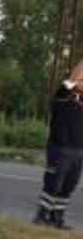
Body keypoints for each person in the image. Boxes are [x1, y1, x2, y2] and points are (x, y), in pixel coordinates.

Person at [34, 62, 83, 229]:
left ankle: (56, 219)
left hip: (78, 152)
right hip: (59, 149)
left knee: (69, 186)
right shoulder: (60, 96)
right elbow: (71, 80)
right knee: (53, 184)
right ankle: (41, 217)